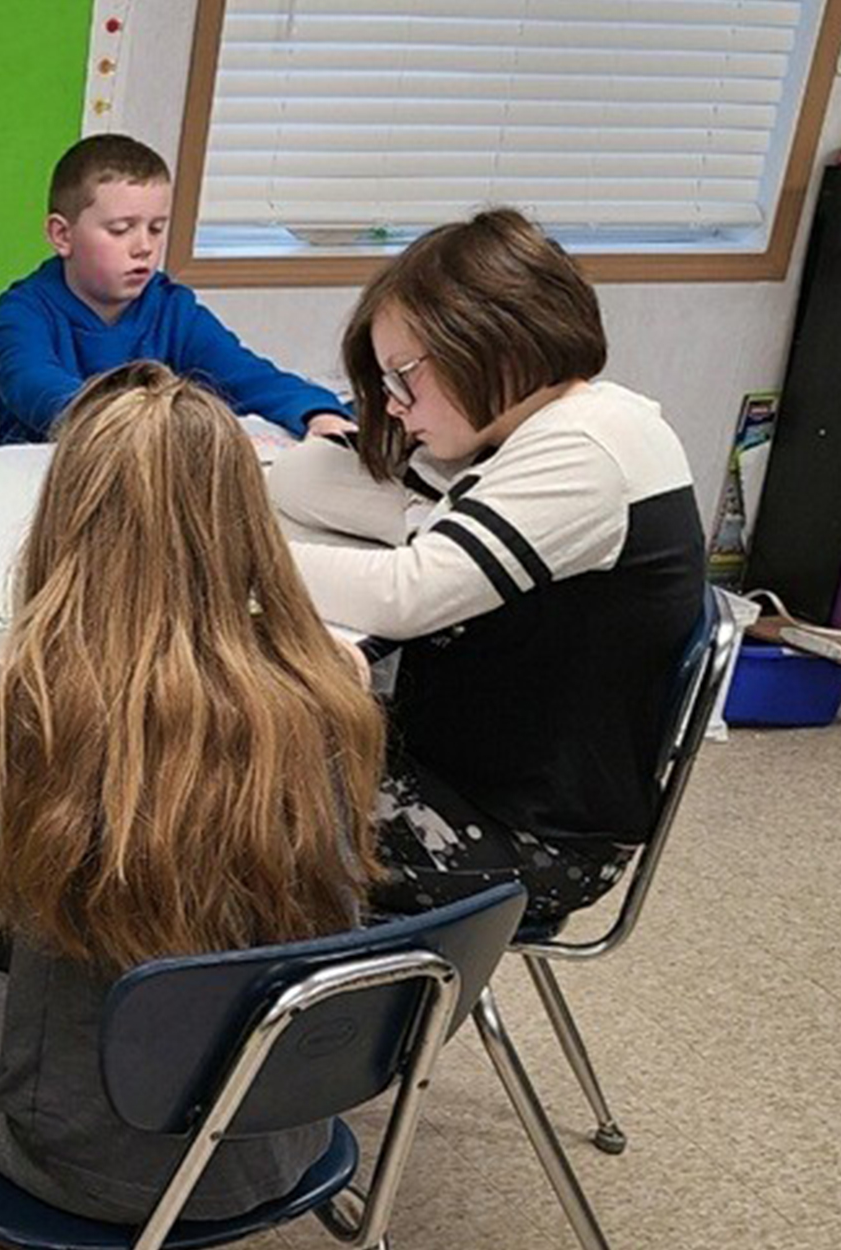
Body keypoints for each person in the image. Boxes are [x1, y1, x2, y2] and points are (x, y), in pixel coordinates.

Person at [0, 361, 384, 1222]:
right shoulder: (333, 690)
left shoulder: (32, 713)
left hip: (91, 1163)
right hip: (291, 1129)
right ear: (249, 526)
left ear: (63, 531)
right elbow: (329, 655)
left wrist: (19, 662)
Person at [268, 208, 705, 923]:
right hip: (468, 773)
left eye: (404, 378)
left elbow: (409, 594)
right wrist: (417, 512)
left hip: (528, 835)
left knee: (201, 822)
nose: (394, 406)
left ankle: (281, 1023)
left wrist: (230, 562)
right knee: (213, 774)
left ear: (495, 345)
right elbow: (301, 479)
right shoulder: (531, 429)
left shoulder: (587, 451)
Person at [0, 133, 353, 447]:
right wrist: (144, 420)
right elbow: (36, 387)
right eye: (120, 229)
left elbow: (246, 375)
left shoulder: (172, 309)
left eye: (156, 228)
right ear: (62, 235)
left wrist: (316, 413)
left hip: (144, 485)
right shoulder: (22, 312)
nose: (144, 246)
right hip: (41, 486)